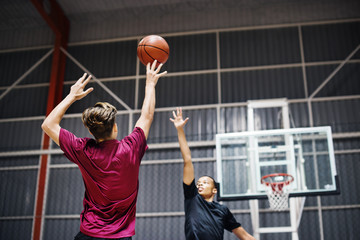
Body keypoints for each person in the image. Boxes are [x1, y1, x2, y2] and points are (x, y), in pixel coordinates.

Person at [41, 60, 167, 240]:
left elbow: (48, 125)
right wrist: (150, 83)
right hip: (120, 236)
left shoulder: (82, 149)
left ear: (91, 131)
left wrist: (71, 96)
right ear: (115, 127)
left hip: (88, 234)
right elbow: (147, 116)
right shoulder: (131, 148)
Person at [170, 107, 256, 240]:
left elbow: (244, 236)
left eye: (205, 182)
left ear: (214, 190)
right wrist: (180, 130)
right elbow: (187, 160)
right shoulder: (192, 197)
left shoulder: (222, 210)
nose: (200, 184)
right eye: (198, 183)